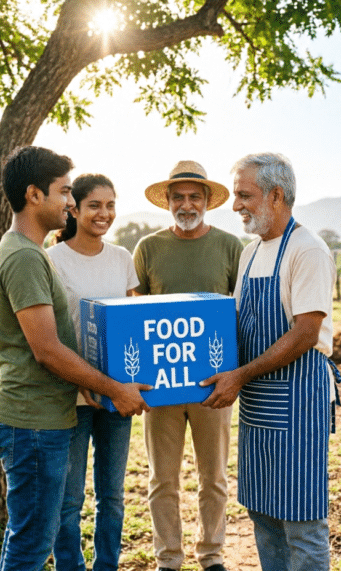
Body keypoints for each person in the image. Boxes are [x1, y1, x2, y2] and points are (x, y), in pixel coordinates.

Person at [0, 146, 149, 571]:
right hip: (33, 421)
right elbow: (47, 350)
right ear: (34, 195)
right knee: (31, 545)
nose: (69, 201)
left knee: (28, 538)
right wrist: (115, 388)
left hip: (41, 416)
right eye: (64, 192)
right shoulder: (26, 257)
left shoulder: (26, 252)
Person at [200, 152, 337, 570]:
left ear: (276, 195)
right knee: (263, 512)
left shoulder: (307, 250)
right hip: (258, 401)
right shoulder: (250, 254)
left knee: (301, 520)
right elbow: (240, 325)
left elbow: (305, 333)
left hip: (298, 400)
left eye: (244, 195)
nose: (235, 205)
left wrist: (240, 374)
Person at [133, 160, 243, 571]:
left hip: (212, 385)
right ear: (167, 201)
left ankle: (211, 555)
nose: (186, 204)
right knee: (162, 479)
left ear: (207, 201)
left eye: (194, 196)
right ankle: (168, 559)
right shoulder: (148, 248)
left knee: (213, 478)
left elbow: (241, 311)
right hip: (161, 384)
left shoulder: (230, 247)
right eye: (178, 197)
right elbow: (136, 315)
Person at [47, 173, 140, 571]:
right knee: (69, 499)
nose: (104, 213)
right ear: (74, 209)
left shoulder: (121, 258)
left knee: (112, 496)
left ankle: (107, 566)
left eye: (110, 205)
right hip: (71, 395)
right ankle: (70, 566)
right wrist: (81, 380)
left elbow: (133, 320)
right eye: (95, 205)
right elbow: (50, 333)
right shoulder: (52, 260)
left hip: (117, 395)